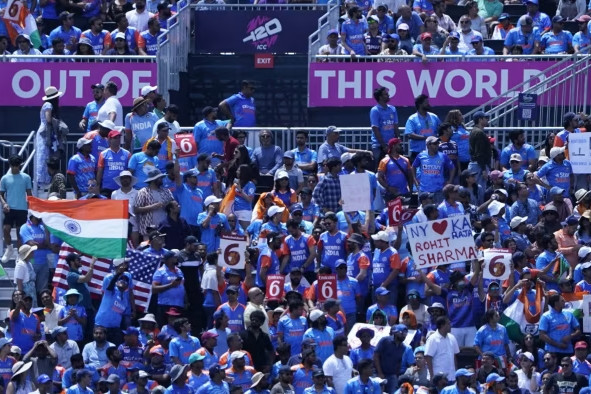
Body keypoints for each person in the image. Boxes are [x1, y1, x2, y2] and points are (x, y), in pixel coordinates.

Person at [0, 155, 32, 264]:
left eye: (17, 166)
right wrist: (4, 203)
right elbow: (1, 194)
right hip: (10, 209)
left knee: (20, 234)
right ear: (10, 165)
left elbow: (29, 194)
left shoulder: (26, 177)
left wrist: (31, 206)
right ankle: (9, 249)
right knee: (5, 230)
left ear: (20, 165)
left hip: (22, 209)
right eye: (13, 166)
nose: (15, 168)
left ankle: (20, 254)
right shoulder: (5, 178)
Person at [412, 136, 454, 204]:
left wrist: (449, 181)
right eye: (434, 143)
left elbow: (452, 168)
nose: (437, 145)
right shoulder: (421, 155)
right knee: (424, 212)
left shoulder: (443, 156)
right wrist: (416, 182)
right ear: (428, 145)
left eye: (438, 143)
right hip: (424, 191)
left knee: (438, 212)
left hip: (439, 191)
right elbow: (413, 167)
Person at [374, 324, 414, 393]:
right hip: (379, 374)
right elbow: (376, 356)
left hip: (392, 376)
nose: (404, 336)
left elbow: (399, 361)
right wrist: (380, 373)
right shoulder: (385, 341)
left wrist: (396, 375)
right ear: (395, 332)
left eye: (405, 334)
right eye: (402, 333)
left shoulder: (403, 347)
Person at [404, 95, 440, 162]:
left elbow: (440, 130)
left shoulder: (434, 117)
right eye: (426, 102)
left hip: (433, 153)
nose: (428, 104)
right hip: (418, 153)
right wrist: (427, 138)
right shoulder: (412, 119)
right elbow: (409, 134)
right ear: (420, 104)